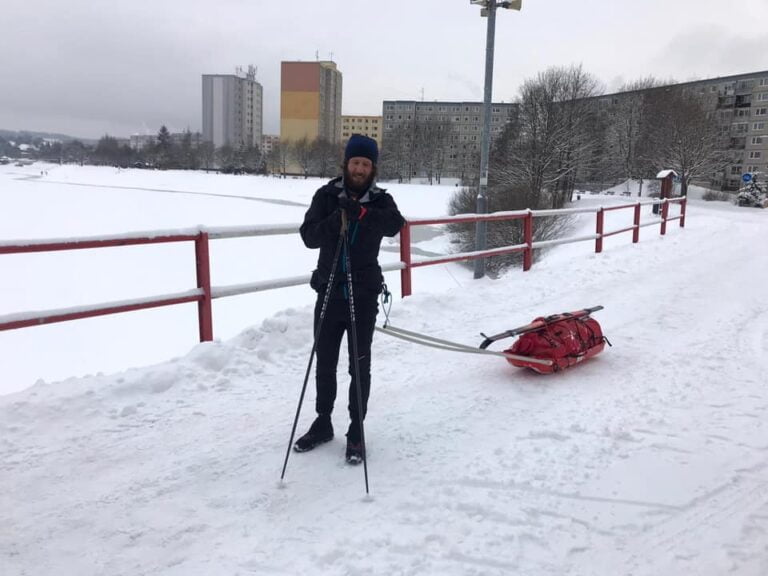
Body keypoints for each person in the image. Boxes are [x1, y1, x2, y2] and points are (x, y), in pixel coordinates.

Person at [295, 134, 405, 464]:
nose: (359, 169)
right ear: (346, 164)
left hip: (363, 295)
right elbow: (308, 237)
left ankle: (356, 430)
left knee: (359, 364)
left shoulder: (381, 200)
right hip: (329, 291)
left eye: (365, 164)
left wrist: (362, 214)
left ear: (373, 168)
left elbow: (395, 225)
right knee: (325, 361)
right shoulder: (326, 195)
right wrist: (335, 220)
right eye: (355, 162)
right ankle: (323, 421)